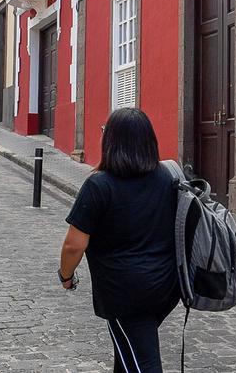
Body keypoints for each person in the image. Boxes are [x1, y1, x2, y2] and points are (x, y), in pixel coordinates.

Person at [59, 108, 179, 373]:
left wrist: (65, 276)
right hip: (166, 287)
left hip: (126, 293)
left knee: (143, 363)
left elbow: (74, 245)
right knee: (127, 354)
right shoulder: (167, 177)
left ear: (111, 140)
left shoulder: (100, 185)